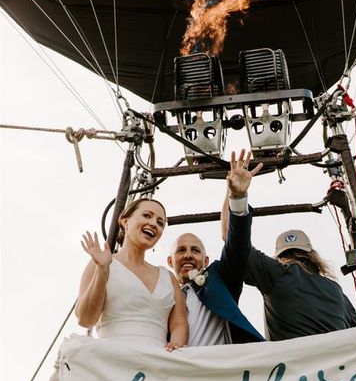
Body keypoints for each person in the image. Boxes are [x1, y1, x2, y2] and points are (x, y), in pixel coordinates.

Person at [167, 150, 264, 347]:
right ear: (170, 261)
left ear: (206, 261)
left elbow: (236, 244)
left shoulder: (221, 280)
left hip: (220, 372)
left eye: (195, 250)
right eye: (181, 250)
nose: (188, 255)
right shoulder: (162, 292)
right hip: (174, 374)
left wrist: (237, 196)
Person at [76, 197, 188, 351]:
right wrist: (102, 270)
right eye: (147, 216)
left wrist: (176, 348)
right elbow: (85, 319)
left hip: (158, 361)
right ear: (125, 221)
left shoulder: (168, 277)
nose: (154, 223)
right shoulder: (101, 263)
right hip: (113, 357)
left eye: (160, 222)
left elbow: (179, 324)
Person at [243, 227, 356, 341]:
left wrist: (236, 210)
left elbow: (240, 248)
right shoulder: (336, 290)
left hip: (291, 360)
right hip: (337, 360)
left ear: (279, 258)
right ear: (312, 255)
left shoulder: (278, 274)